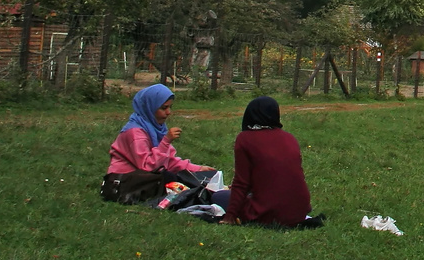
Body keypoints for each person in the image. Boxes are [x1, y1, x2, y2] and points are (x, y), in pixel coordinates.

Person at [102, 84, 222, 204]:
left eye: (170, 107)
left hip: (148, 178)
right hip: (125, 181)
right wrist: (166, 141)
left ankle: (209, 192)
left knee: (180, 179)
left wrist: (197, 169)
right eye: (164, 108)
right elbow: (148, 166)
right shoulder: (135, 133)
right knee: (172, 180)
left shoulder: (155, 128)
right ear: (150, 108)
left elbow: (167, 161)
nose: (168, 112)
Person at [224, 97, 312, 227]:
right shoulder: (289, 138)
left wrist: (230, 216)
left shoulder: (245, 139)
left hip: (267, 214)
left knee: (219, 196)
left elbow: (241, 182)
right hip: (298, 212)